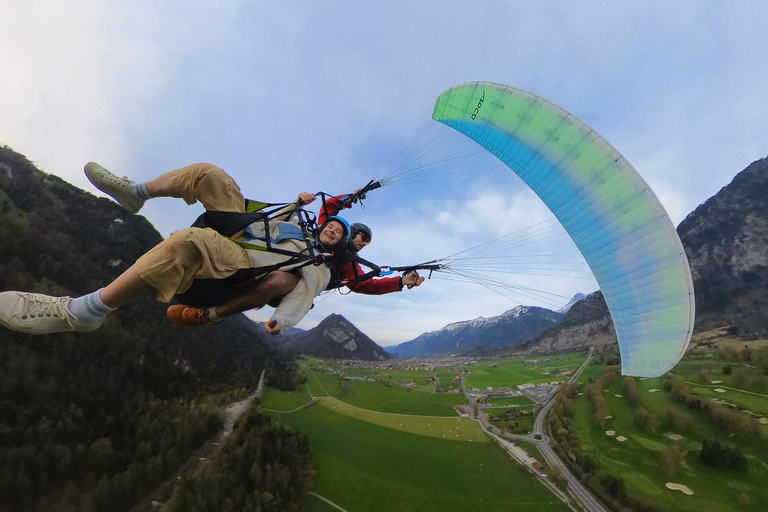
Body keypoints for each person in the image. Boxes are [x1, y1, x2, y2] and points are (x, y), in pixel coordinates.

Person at [0, 162, 350, 336]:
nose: (333, 229)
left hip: (242, 259)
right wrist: (298, 200)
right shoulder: (294, 226)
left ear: (339, 244)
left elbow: (303, 296)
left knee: (188, 242)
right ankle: (135, 193)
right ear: (323, 223)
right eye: (332, 224)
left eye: (339, 233)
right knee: (209, 174)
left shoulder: (317, 266)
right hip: (245, 225)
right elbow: (274, 216)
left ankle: (82, 311)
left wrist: (281, 321)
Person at [164, 190, 426, 326]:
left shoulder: (348, 262)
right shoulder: (329, 230)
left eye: (367, 240)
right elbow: (329, 207)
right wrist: (352, 198)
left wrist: (401, 282)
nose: (362, 241)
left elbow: (362, 284)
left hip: (297, 283)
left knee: (275, 282)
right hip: (279, 256)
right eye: (360, 235)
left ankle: (209, 315)